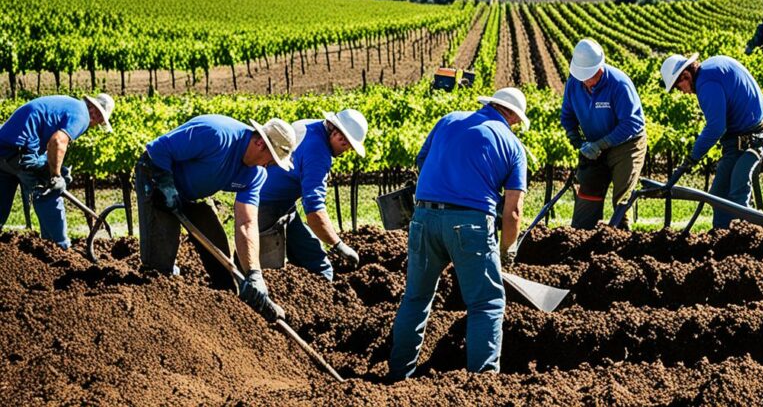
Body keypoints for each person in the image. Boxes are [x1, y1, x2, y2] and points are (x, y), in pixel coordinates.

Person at [389, 87, 529, 380]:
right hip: (470, 224)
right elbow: (513, 213)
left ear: (489, 104)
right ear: (514, 117)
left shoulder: (449, 120)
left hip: (424, 218)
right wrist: (506, 250)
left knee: (416, 297)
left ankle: (398, 375)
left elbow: (422, 161)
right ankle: (482, 382)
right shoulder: (513, 146)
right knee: (486, 302)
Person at [135, 114, 297, 322]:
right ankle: (157, 314)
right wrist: (166, 185)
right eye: (273, 159)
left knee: (221, 264)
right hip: (156, 174)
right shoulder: (216, 135)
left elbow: (247, 224)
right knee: (159, 267)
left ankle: (227, 317)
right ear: (259, 143)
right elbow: (157, 149)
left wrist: (254, 274)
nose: (271, 165)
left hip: (192, 193)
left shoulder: (256, 175)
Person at [661, 53, 763, 228]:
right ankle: (721, 238)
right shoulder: (709, 71)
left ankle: (747, 238)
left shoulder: (707, 84)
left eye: (677, 86)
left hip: (754, 135)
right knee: (718, 193)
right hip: (737, 137)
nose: (681, 92)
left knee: (738, 187)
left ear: (686, 75)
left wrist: (692, 157)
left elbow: (716, 127)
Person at [257, 110, 368, 281]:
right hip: (264, 208)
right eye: (345, 144)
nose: (345, 150)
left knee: (318, 265)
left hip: (282, 205)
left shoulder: (309, 125)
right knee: (268, 274)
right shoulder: (319, 152)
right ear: (336, 132)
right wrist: (338, 245)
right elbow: (314, 211)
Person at [0, 94, 115, 249]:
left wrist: (54, 167)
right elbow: (58, 141)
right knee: (49, 190)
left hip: (4, 150)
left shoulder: (69, 106)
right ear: (95, 113)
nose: (95, 125)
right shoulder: (82, 115)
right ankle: (58, 248)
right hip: (21, 150)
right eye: (100, 122)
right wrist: (55, 176)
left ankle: (47, 247)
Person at [560, 39, 646, 229]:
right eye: (583, 77)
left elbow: (633, 122)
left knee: (622, 197)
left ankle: (622, 240)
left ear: (600, 68)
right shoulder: (574, 85)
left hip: (626, 145)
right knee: (588, 191)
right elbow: (567, 118)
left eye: (590, 76)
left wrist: (601, 144)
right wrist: (578, 142)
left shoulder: (619, 84)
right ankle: (581, 236)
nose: (586, 81)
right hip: (593, 146)